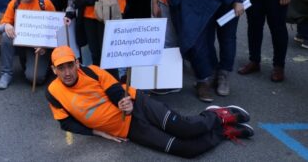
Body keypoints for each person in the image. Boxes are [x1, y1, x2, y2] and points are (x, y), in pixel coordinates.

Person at [45, 46, 254, 158]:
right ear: (54, 70)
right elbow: (66, 123)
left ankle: (216, 115)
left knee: (185, 128)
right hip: (127, 130)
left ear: (77, 63)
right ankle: (223, 132)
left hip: (138, 104)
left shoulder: (92, 72)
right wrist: (95, 132)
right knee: (186, 150)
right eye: (61, 68)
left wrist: (123, 102)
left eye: (69, 65)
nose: (67, 72)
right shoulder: (53, 93)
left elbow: (115, 89)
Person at [0, 0, 56, 90]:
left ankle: (46, 63)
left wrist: (46, 46)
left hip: (39, 47)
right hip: (22, 43)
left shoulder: (45, 3)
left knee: (35, 79)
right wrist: (7, 25)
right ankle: (6, 73)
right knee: (6, 36)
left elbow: (56, 30)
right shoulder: (14, 3)